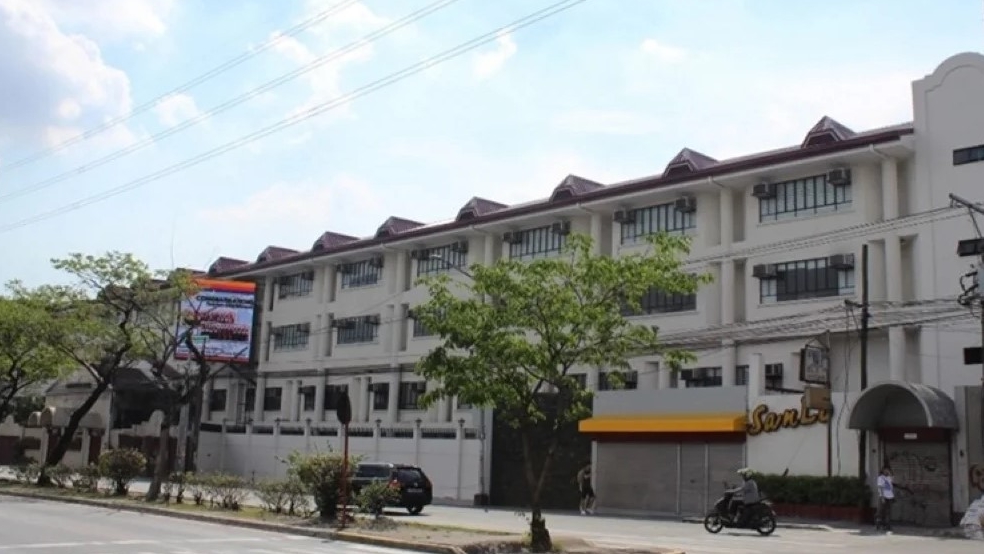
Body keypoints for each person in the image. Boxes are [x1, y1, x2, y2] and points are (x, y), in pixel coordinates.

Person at [876, 466, 895, 532]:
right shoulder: (880, 478)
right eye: (885, 470)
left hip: (890, 496)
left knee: (888, 511)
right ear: (883, 470)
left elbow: (892, 481)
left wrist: (890, 474)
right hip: (883, 496)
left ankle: (887, 525)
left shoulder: (889, 478)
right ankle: (879, 523)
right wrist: (882, 497)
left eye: (888, 470)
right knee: (881, 511)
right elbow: (880, 487)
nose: (886, 471)